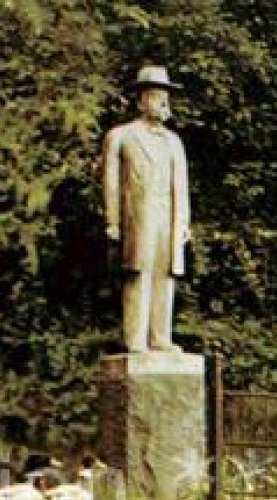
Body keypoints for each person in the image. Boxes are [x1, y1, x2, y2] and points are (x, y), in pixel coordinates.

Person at [101, 65, 191, 354]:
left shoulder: (174, 142)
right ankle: (136, 338)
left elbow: (181, 186)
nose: (163, 102)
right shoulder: (121, 136)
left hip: (168, 218)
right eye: (155, 95)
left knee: (165, 276)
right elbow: (111, 183)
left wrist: (184, 223)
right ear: (140, 100)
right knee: (138, 274)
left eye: (165, 96)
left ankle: (160, 336)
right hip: (137, 217)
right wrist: (112, 222)